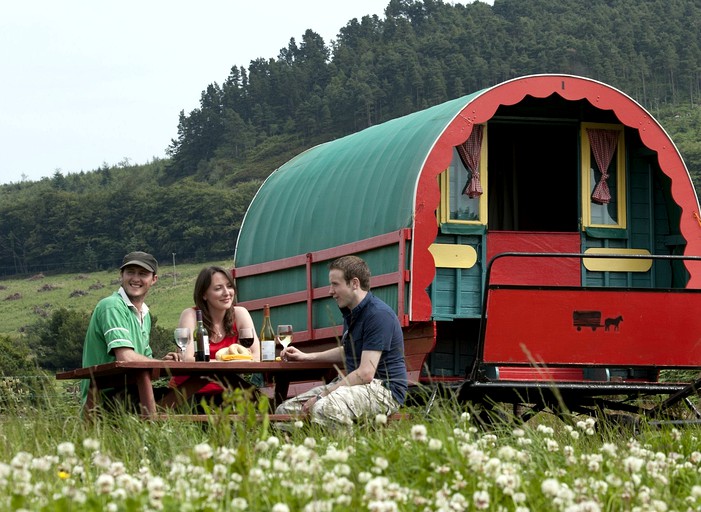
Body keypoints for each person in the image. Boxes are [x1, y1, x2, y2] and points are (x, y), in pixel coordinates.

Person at [275, 255, 408, 427]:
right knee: (285, 411)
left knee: (325, 407)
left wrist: (322, 395)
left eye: (335, 284)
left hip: (384, 390)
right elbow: (349, 350)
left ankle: (347, 451)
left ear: (354, 283)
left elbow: (366, 373)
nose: (330, 291)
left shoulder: (378, 315)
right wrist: (307, 357)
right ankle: (310, 450)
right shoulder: (351, 313)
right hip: (355, 387)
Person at [81, 251, 180, 408]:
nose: (135, 278)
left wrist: (163, 361)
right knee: (185, 402)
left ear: (154, 279)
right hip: (105, 398)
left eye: (142, 273)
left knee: (191, 399)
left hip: (134, 391)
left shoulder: (145, 315)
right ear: (121, 275)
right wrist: (162, 365)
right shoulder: (111, 306)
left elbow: (144, 362)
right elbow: (125, 357)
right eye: (130, 272)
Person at [170, 265, 261, 400]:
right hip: (190, 392)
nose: (227, 293)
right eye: (218, 288)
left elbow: (256, 357)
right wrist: (228, 363)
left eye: (229, 286)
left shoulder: (240, 313)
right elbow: (187, 358)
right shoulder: (190, 315)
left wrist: (223, 363)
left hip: (229, 393)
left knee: (261, 407)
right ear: (204, 294)